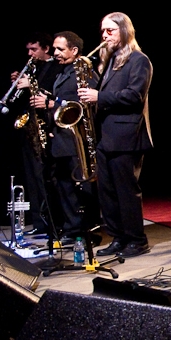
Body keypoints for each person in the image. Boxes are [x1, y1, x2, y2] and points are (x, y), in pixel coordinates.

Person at [79, 12, 153, 259]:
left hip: (127, 134)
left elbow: (135, 96)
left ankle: (136, 239)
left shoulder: (139, 60)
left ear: (124, 31)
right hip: (107, 135)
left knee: (126, 191)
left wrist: (99, 97)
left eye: (110, 30)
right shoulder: (110, 61)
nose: (104, 35)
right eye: (102, 31)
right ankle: (118, 237)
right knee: (107, 192)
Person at [30, 31, 100, 244]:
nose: (56, 53)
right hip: (61, 138)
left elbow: (85, 104)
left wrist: (52, 104)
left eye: (61, 49)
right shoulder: (62, 72)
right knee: (64, 187)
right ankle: (71, 229)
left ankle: (84, 230)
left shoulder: (84, 72)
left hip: (76, 140)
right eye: (56, 48)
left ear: (74, 50)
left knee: (79, 188)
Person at [9, 32, 63, 237]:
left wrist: (31, 85)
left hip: (47, 127)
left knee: (46, 178)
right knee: (32, 178)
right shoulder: (34, 68)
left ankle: (53, 223)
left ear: (46, 49)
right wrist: (19, 82)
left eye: (34, 49)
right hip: (30, 128)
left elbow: (51, 93)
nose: (30, 54)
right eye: (28, 50)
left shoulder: (56, 67)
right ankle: (39, 223)